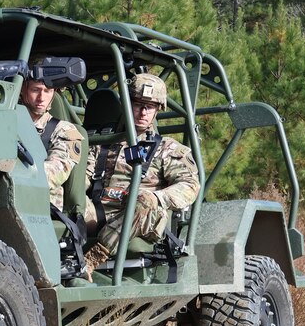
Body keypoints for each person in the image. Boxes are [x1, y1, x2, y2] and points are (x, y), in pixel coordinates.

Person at [84, 72, 200, 264]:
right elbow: (84, 176)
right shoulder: (103, 143)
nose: (143, 112)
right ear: (128, 105)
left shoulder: (168, 148)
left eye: (151, 106)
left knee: (144, 200)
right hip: (101, 209)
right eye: (138, 104)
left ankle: (93, 259)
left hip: (143, 216)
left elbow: (190, 185)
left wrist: (158, 197)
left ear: (157, 110)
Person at [20, 77, 86, 211]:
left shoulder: (65, 131)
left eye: (47, 91)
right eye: (35, 90)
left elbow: (56, 172)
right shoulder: (6, 123)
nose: (41, 97)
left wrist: (14, 175)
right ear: (22, 89)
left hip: (42, 206)